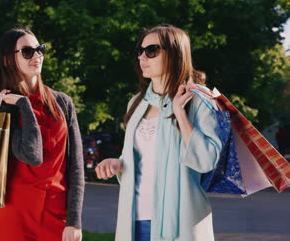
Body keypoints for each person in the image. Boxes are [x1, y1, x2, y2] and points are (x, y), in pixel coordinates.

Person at [95, 24, 223, 241]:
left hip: (181, 222)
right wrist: (118, 164)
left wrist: (179, 113)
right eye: (140, 51)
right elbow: (138, 158)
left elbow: (207, 160)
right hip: (134, 221)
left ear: (174, 53)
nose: (142, 57)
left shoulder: (200, 100)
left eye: (151, 50)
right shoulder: (136, 103)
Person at [0, 26, 84, 241]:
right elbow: (32, 155)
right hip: (14, 212)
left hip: (57, 213)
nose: (37, 56)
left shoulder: (62, 102)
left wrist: (75, 220)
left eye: (39, 49)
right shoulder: (1, 106)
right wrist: (24, 104)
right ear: (8, 60)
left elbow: (76, 166)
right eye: (27, 51)